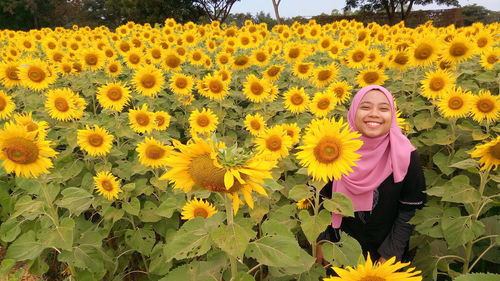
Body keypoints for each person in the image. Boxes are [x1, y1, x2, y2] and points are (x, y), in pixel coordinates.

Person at [316, 85, 426, 265]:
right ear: (353, 112)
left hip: (385, 251)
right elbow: (320, 201)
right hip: (338, 249)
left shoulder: (405, 155)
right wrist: (323, 242)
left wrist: (390, 254)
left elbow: (409, 210)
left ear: (392, 116)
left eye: (384, 108)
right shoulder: (332, 150)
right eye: (365, 107)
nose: (374, 114)